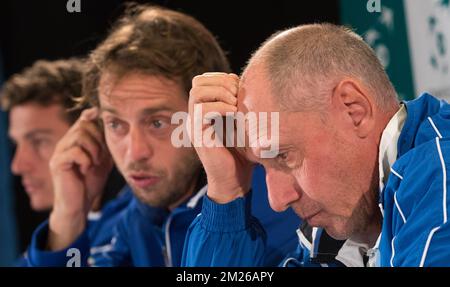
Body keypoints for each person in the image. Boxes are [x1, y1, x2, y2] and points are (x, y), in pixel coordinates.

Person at [27, 5, 301, 267]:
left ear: (210, 114)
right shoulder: (136, 216)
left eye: (157, 123)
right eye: (115, 124)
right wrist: (69, 216)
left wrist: (226, 206)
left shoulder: (278, 205)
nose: (134, 153)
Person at [183, 23, 450, 267]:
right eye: (262, 166)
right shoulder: (330, 236)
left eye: (284, 156)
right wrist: (227, 191)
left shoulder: (441, 171)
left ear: (353, 110)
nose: (277, 200)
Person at [0, 59, 129, 266]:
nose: (18, 166)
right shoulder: (47, 239)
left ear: (92, 135)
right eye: (17, 145)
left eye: (38, 142)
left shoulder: (136, 226)